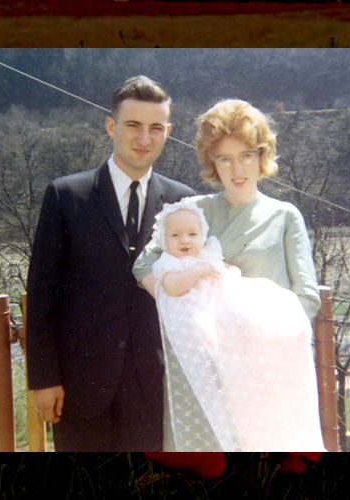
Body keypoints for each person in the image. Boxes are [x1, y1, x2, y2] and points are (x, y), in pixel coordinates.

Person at [133, 98, 323, 451]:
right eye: (225, 158)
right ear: (212, 163)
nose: (237, 169)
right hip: (206, 374)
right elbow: (144, 264)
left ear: (261, 156)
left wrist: (253, 322)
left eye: (246, 155)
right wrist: (172, 294)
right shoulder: (193, 213)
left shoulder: (285, 216)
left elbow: (307, 299)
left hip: (266, 371)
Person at [25, 75, 195, 451]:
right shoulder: (67, 196)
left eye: (155, 128)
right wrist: (43, 379)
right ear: (111, 126)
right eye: (133, 125)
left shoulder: (183, 203)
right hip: (79, 388)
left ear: (167, 132)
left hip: (155, 388)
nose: (144, 138)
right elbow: (41, 296)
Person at [149, 198, 325, 451]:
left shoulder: (208, 254)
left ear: (203, 235)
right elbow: (172, 287)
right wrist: (197, 271)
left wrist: (225, 271)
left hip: (224, 318)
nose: (184, 240)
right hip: (197, 324)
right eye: (175, 235)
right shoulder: (170, 264)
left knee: (262, 295)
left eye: (192, 234)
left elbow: (224, 274)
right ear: (164, 241)